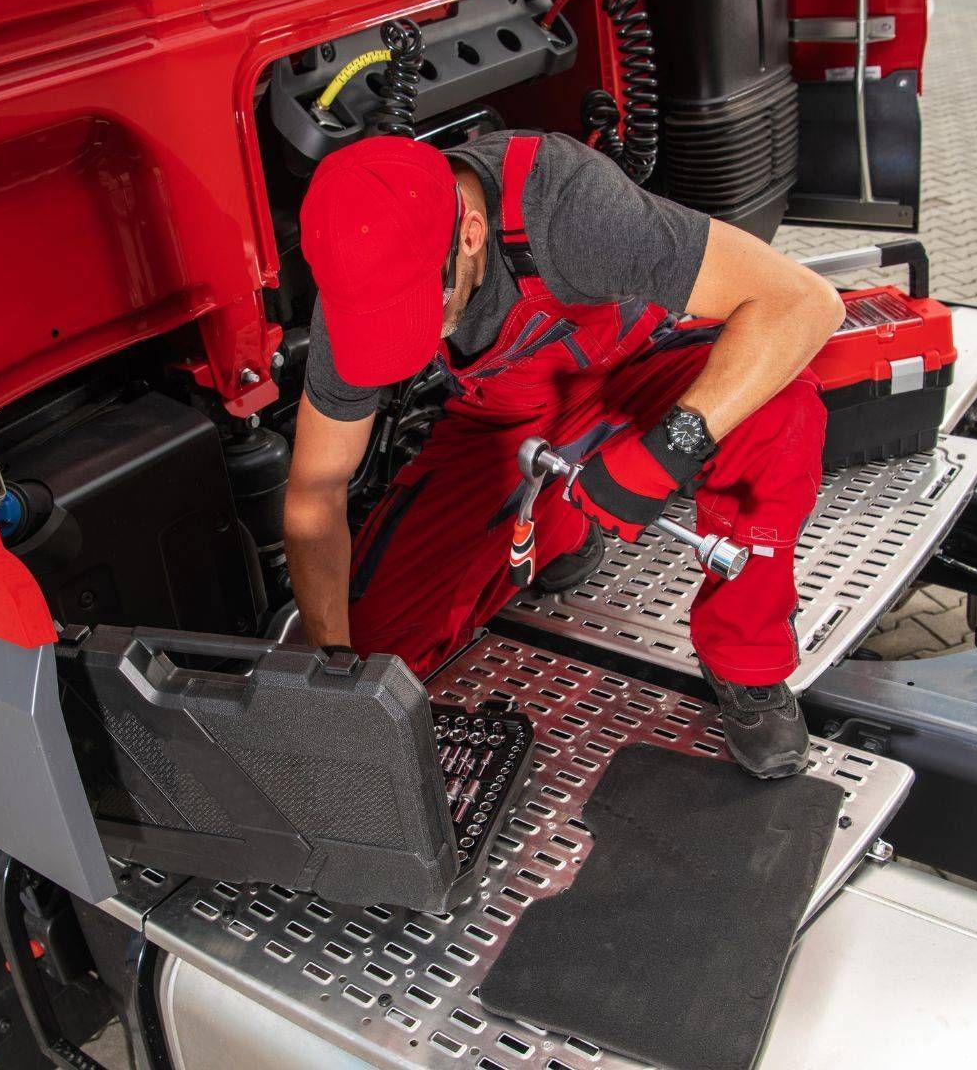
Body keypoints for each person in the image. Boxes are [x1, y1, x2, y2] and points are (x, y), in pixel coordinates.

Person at [283, 130, 842, 778]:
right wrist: (336, 667)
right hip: (508, 420)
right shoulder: (357, 286)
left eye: (426, 309)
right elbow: (315, 491)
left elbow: (804, 304)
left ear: (469, 232)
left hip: (644, 372)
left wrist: (663, 454)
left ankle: (747, 661)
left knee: (784, 412)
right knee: (377, 652)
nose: (425, 333)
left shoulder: (567, 205)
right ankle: (559, 526)